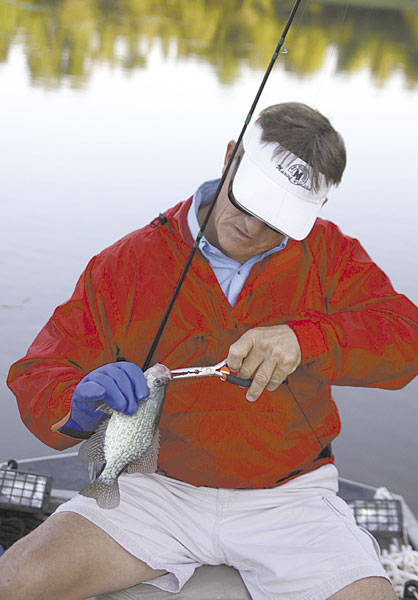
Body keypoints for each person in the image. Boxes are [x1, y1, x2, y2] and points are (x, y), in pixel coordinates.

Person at [2, 102, 418, 600]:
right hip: (155, 489)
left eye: (277, 220)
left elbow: (405, 337)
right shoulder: (129, 261)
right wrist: (75, 402)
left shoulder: (331, 255)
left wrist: (309, 338)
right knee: (14, 581)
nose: (253, 229)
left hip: (289, 499)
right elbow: (41, 368)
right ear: (230, 157)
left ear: (316, 209)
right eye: (247, 202)